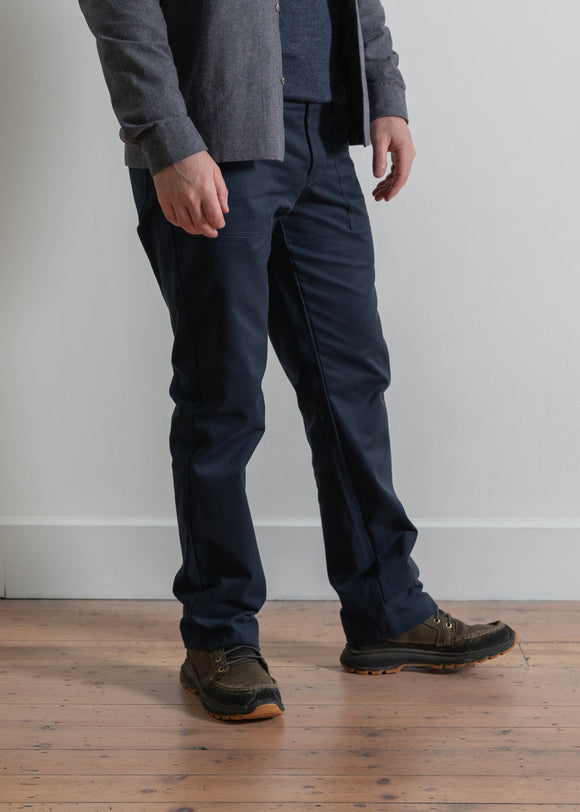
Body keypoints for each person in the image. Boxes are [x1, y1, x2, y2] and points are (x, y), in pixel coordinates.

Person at [78, 0, 516, 721]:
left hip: (324, 133)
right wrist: (167, 136)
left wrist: (385, 95)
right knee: (222, 397)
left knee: (353, 381)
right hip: (211, 136)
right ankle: (219, 636)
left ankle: (387, 607)